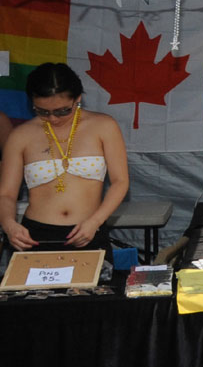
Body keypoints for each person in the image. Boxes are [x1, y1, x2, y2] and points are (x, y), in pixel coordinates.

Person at [0, 63, 129, 260]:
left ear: (78, 99)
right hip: (36, 236)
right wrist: (9, 225)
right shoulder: (21, 135)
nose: (53, 118)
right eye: (42, 111)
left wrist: (96, 221)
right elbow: (7, 193)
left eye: (62, 111)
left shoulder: (103, 126)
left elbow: (120, 182)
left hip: (88, 230)